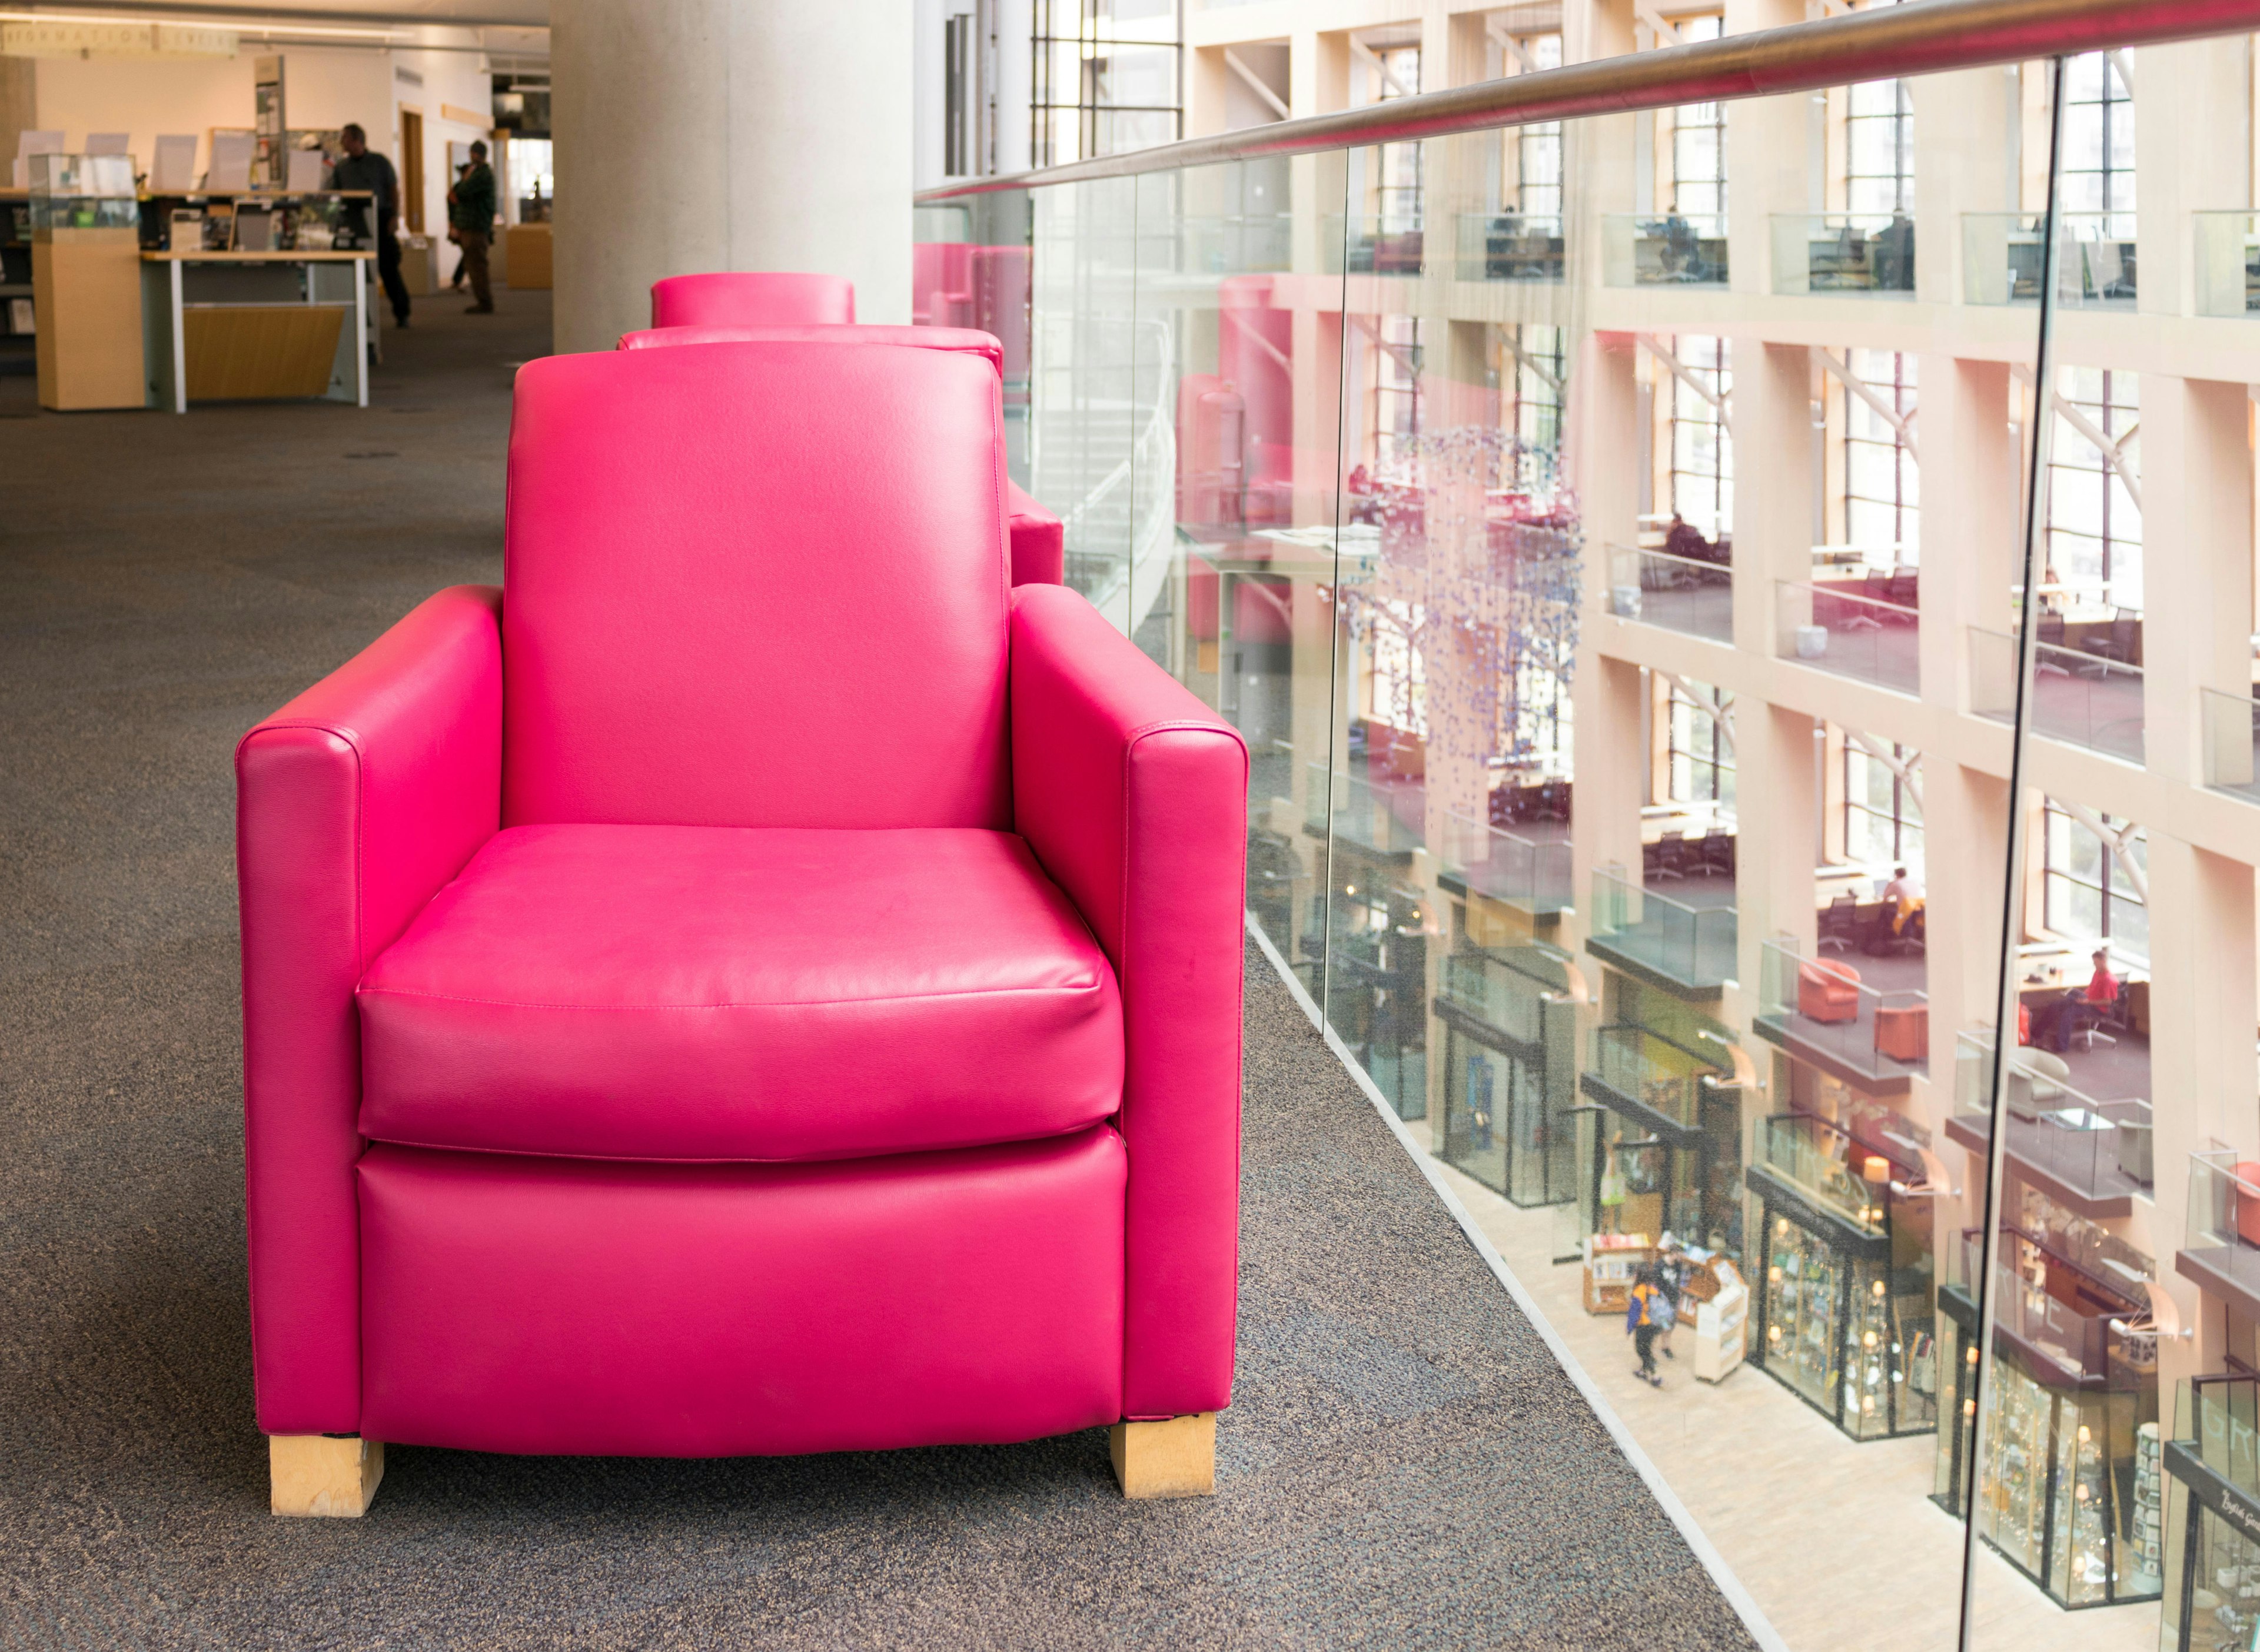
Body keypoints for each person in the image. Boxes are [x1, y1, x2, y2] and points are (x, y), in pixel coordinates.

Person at [331, 123, 410, 328]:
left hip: (380, 216)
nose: (342, 142)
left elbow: (393, 190)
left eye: (345, 138)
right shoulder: (341, 168)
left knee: (388, 267)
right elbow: (336, 194)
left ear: (358, 141)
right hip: (353, 218)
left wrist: (394, 216)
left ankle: (402, 313)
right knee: (357, 268)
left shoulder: (379, 162)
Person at [448, 140, 497, 314]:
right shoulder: (480, 173)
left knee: (477, 267)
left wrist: (466, 179)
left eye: (473, 153)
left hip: (476, 227)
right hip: (471, 227)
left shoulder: (482, 175)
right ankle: (483, 301)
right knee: (474, 266)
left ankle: (485, 303)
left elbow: (461, 191)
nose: (471, 157)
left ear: (477, 154)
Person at [1626, 1261, 1665, 1387]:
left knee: (1642, 1350)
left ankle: (1654, 1375)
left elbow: (1634, 1314)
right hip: (1656, 1325)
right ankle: (1643, 1371)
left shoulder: (1639, 1292)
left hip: (1644, 1326)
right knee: (1647, 1347)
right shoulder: (1654, 1288)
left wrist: (1629, 1329)